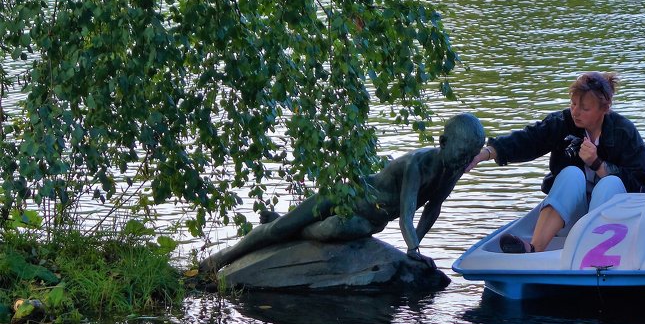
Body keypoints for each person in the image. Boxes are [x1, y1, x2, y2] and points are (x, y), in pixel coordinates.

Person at [202, 113, 485, 271]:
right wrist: (412, 248)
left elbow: (432, 208)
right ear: (443, 141)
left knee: (335, 230)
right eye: (459, 155)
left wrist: (416, 250)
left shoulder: (454, 168)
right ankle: (220, 260)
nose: (462, 163)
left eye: (467, 158)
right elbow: (408, 212)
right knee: (279, 229)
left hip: (371, 219)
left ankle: (291, 226)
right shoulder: (418, 164)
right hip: (351, 193)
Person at [467, 72, 645, 253]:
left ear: (604, 109)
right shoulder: (562, 123)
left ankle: (591, 253)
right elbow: (529, 140)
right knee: (571, 173)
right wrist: (485, 153)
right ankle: (534, 248)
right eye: (572, 104)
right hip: (569, 216)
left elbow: (639, 181)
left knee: (609, 183)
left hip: (614, 223)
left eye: (585, 109)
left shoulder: (623, 131)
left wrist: (597, 164)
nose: (575, 112)